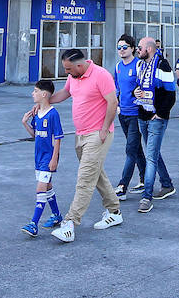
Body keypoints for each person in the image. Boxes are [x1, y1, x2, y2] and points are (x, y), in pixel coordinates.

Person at [48, 49, 123, 243]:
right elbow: (66, 92)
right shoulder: (74, 76)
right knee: (96, 174)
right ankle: (114, 211)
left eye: (68, 69)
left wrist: (105, 129)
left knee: (85, 179)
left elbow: (113, 102)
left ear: (80, 65)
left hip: (98, 135)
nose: (66, 72)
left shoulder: (101, 75)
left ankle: (70, 223)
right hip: (80, 135)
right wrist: (45, 101)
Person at [132, 36, 177, 213]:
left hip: (156, 118)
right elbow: (138, 85)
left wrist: (160, 114)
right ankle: (167, 184)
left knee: (150, 156)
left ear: (149, 49)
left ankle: (147, 197)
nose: (137, 50)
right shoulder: (140, 65)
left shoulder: (162, 65)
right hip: (142, 114)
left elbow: (170, 93)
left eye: (140, 47)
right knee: (153, 153)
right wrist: (135, 91)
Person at [20, 80, 64, 236]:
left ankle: (33, 224)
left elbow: (58, 138)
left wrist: (54, 158)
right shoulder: (37, 113)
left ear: (44, 94)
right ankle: (56, 215)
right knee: (48, 187)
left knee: (40, 188)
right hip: (38, 157)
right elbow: (35, 134)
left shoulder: (53, 114)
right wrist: (25, 122)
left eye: (35, 90)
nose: (33, 93)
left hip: (48, 157)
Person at [111, 34, 146, 199]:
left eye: (125, 47)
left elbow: (145, 86)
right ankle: (145, 179)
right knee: (136, 149)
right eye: (119, 47)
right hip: (122, 113)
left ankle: (122, 186)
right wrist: (117, 104)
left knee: (130, 150)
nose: (121, 50)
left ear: (132, 48)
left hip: (136, 114)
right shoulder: (118, 67)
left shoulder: (139, 65)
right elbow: (116, 87)